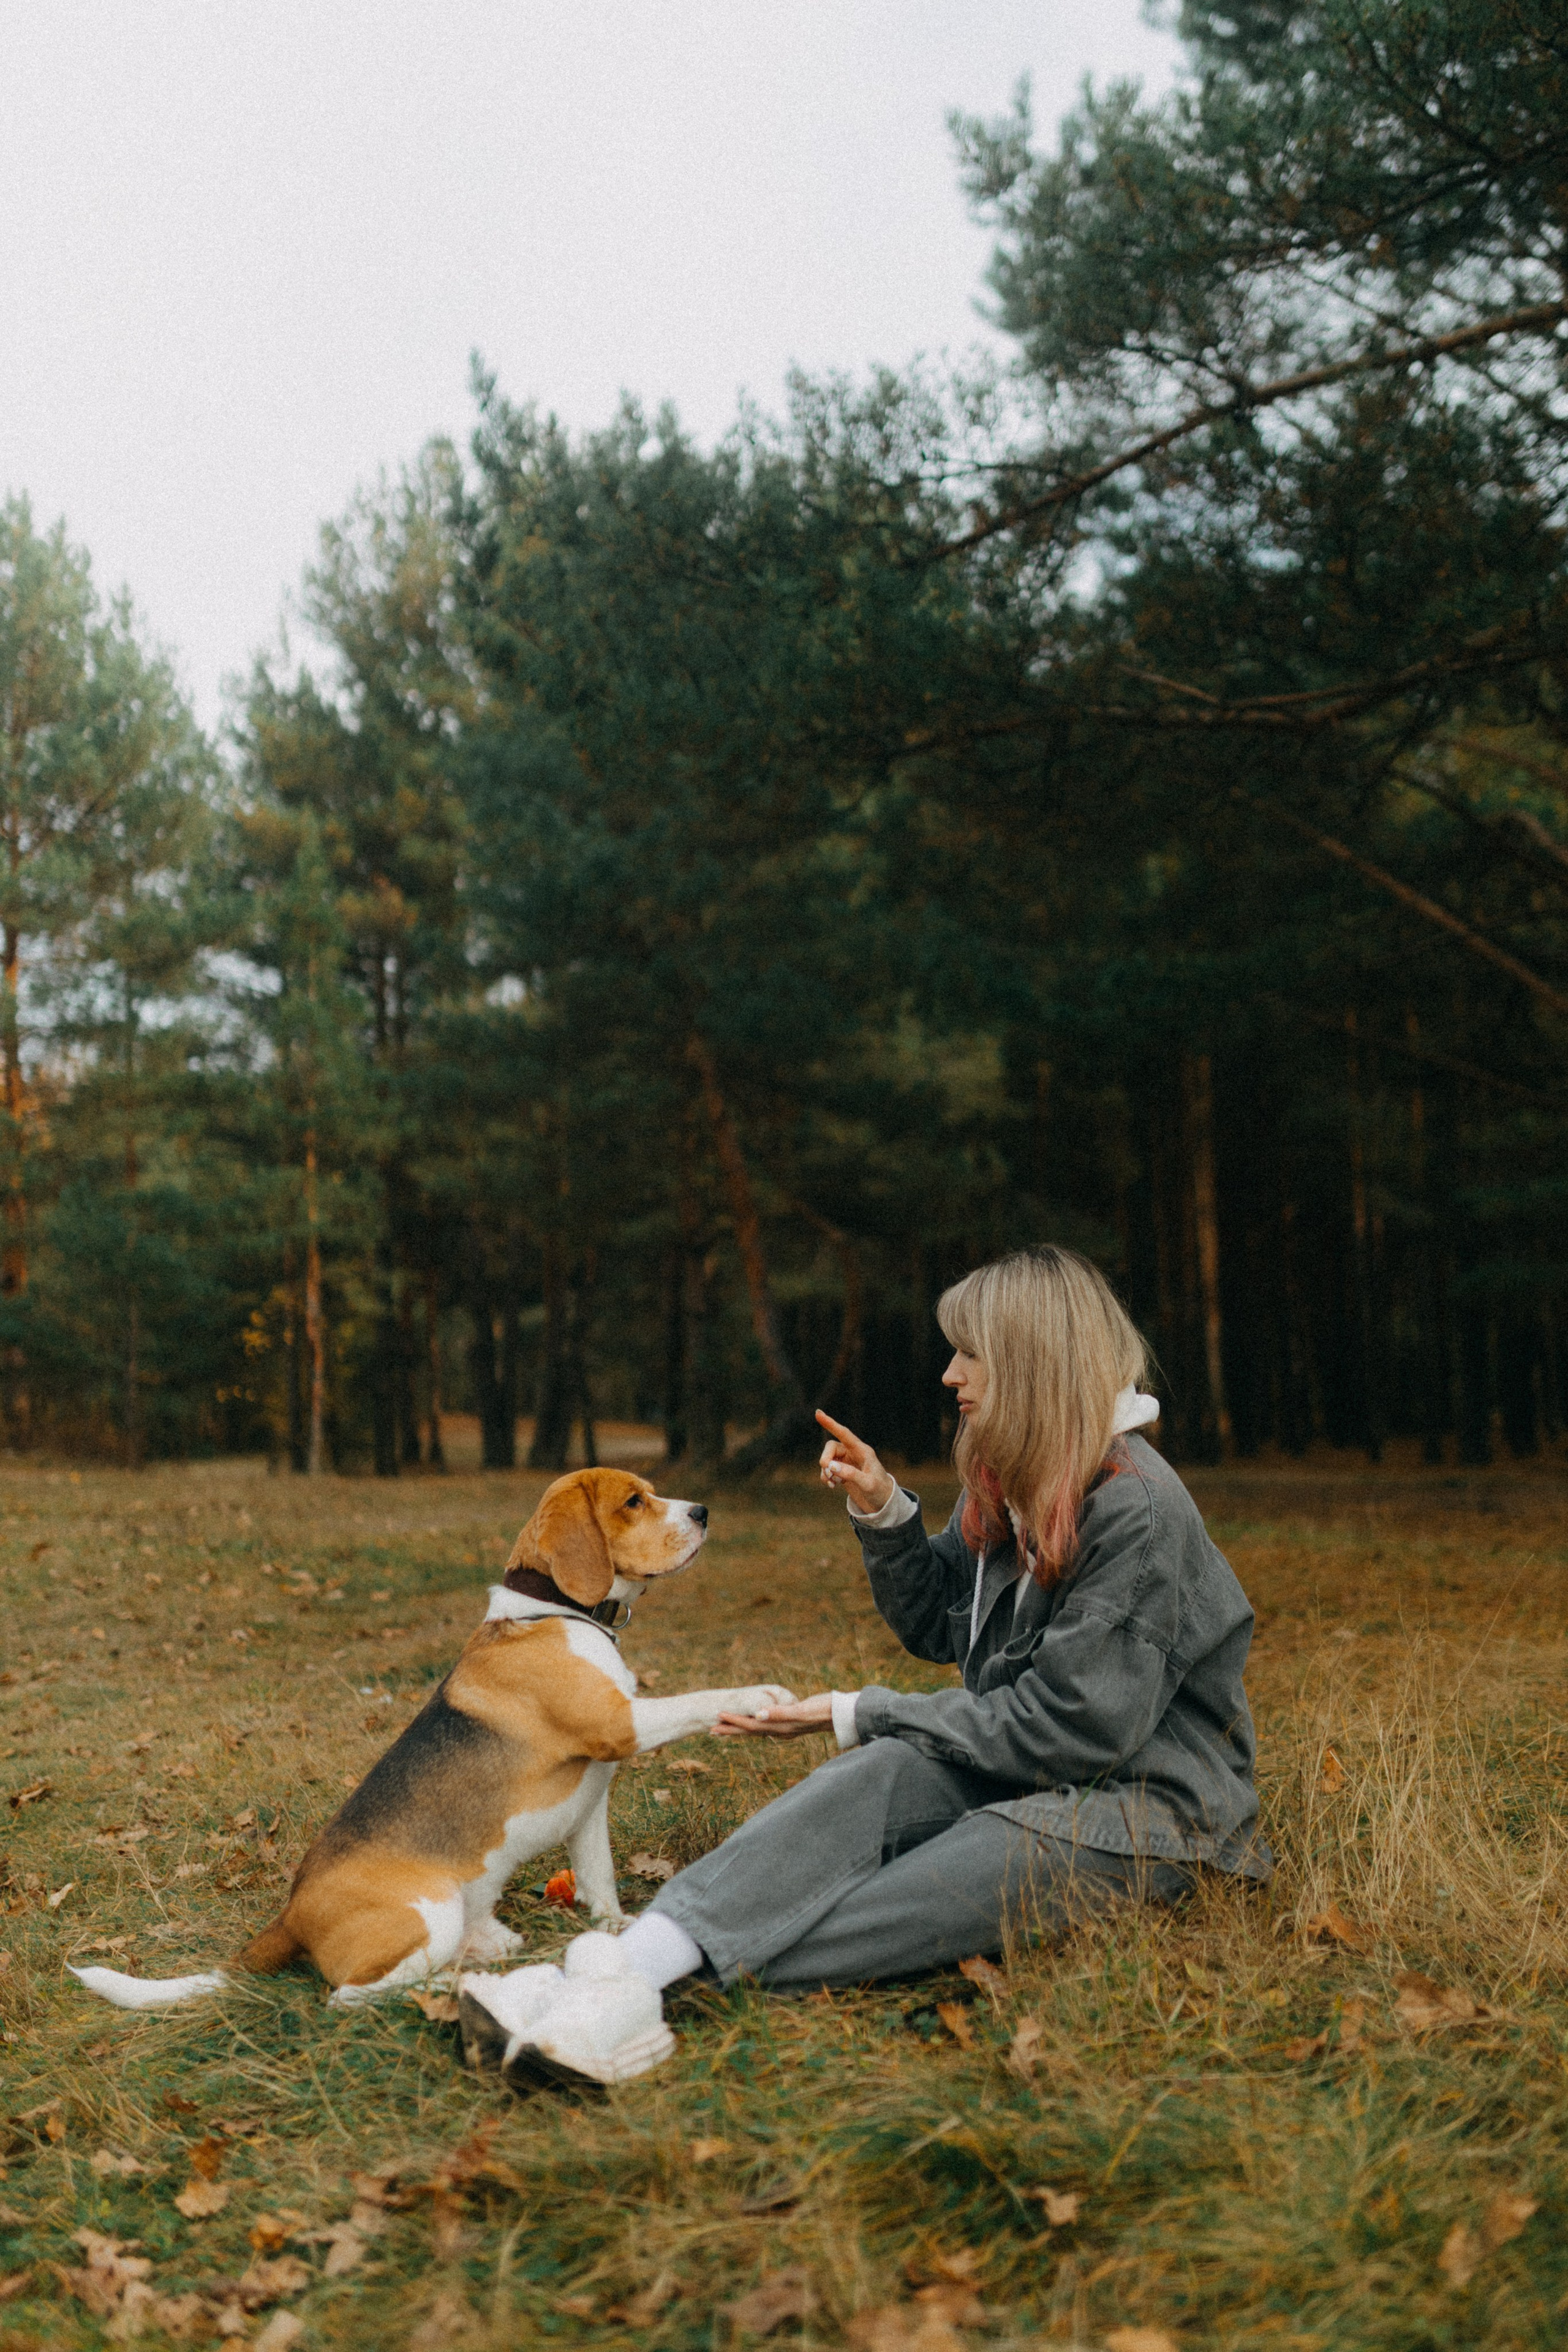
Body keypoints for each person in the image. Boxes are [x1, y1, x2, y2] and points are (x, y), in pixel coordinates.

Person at [458, 1245, 1270, 2087]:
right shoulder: (1019, 1479)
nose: (951, 1373)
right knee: (882, 1770)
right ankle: (620, 1970)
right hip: (1029, 1770)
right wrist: (883, 1510)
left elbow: (1073, 1730)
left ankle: (629, 1996)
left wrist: (854, 1709)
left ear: (1034, 1362)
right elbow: (935, 1623)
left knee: (938, 1875)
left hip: (1154, 1816)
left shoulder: (1137, 1509)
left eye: (971, 1352)